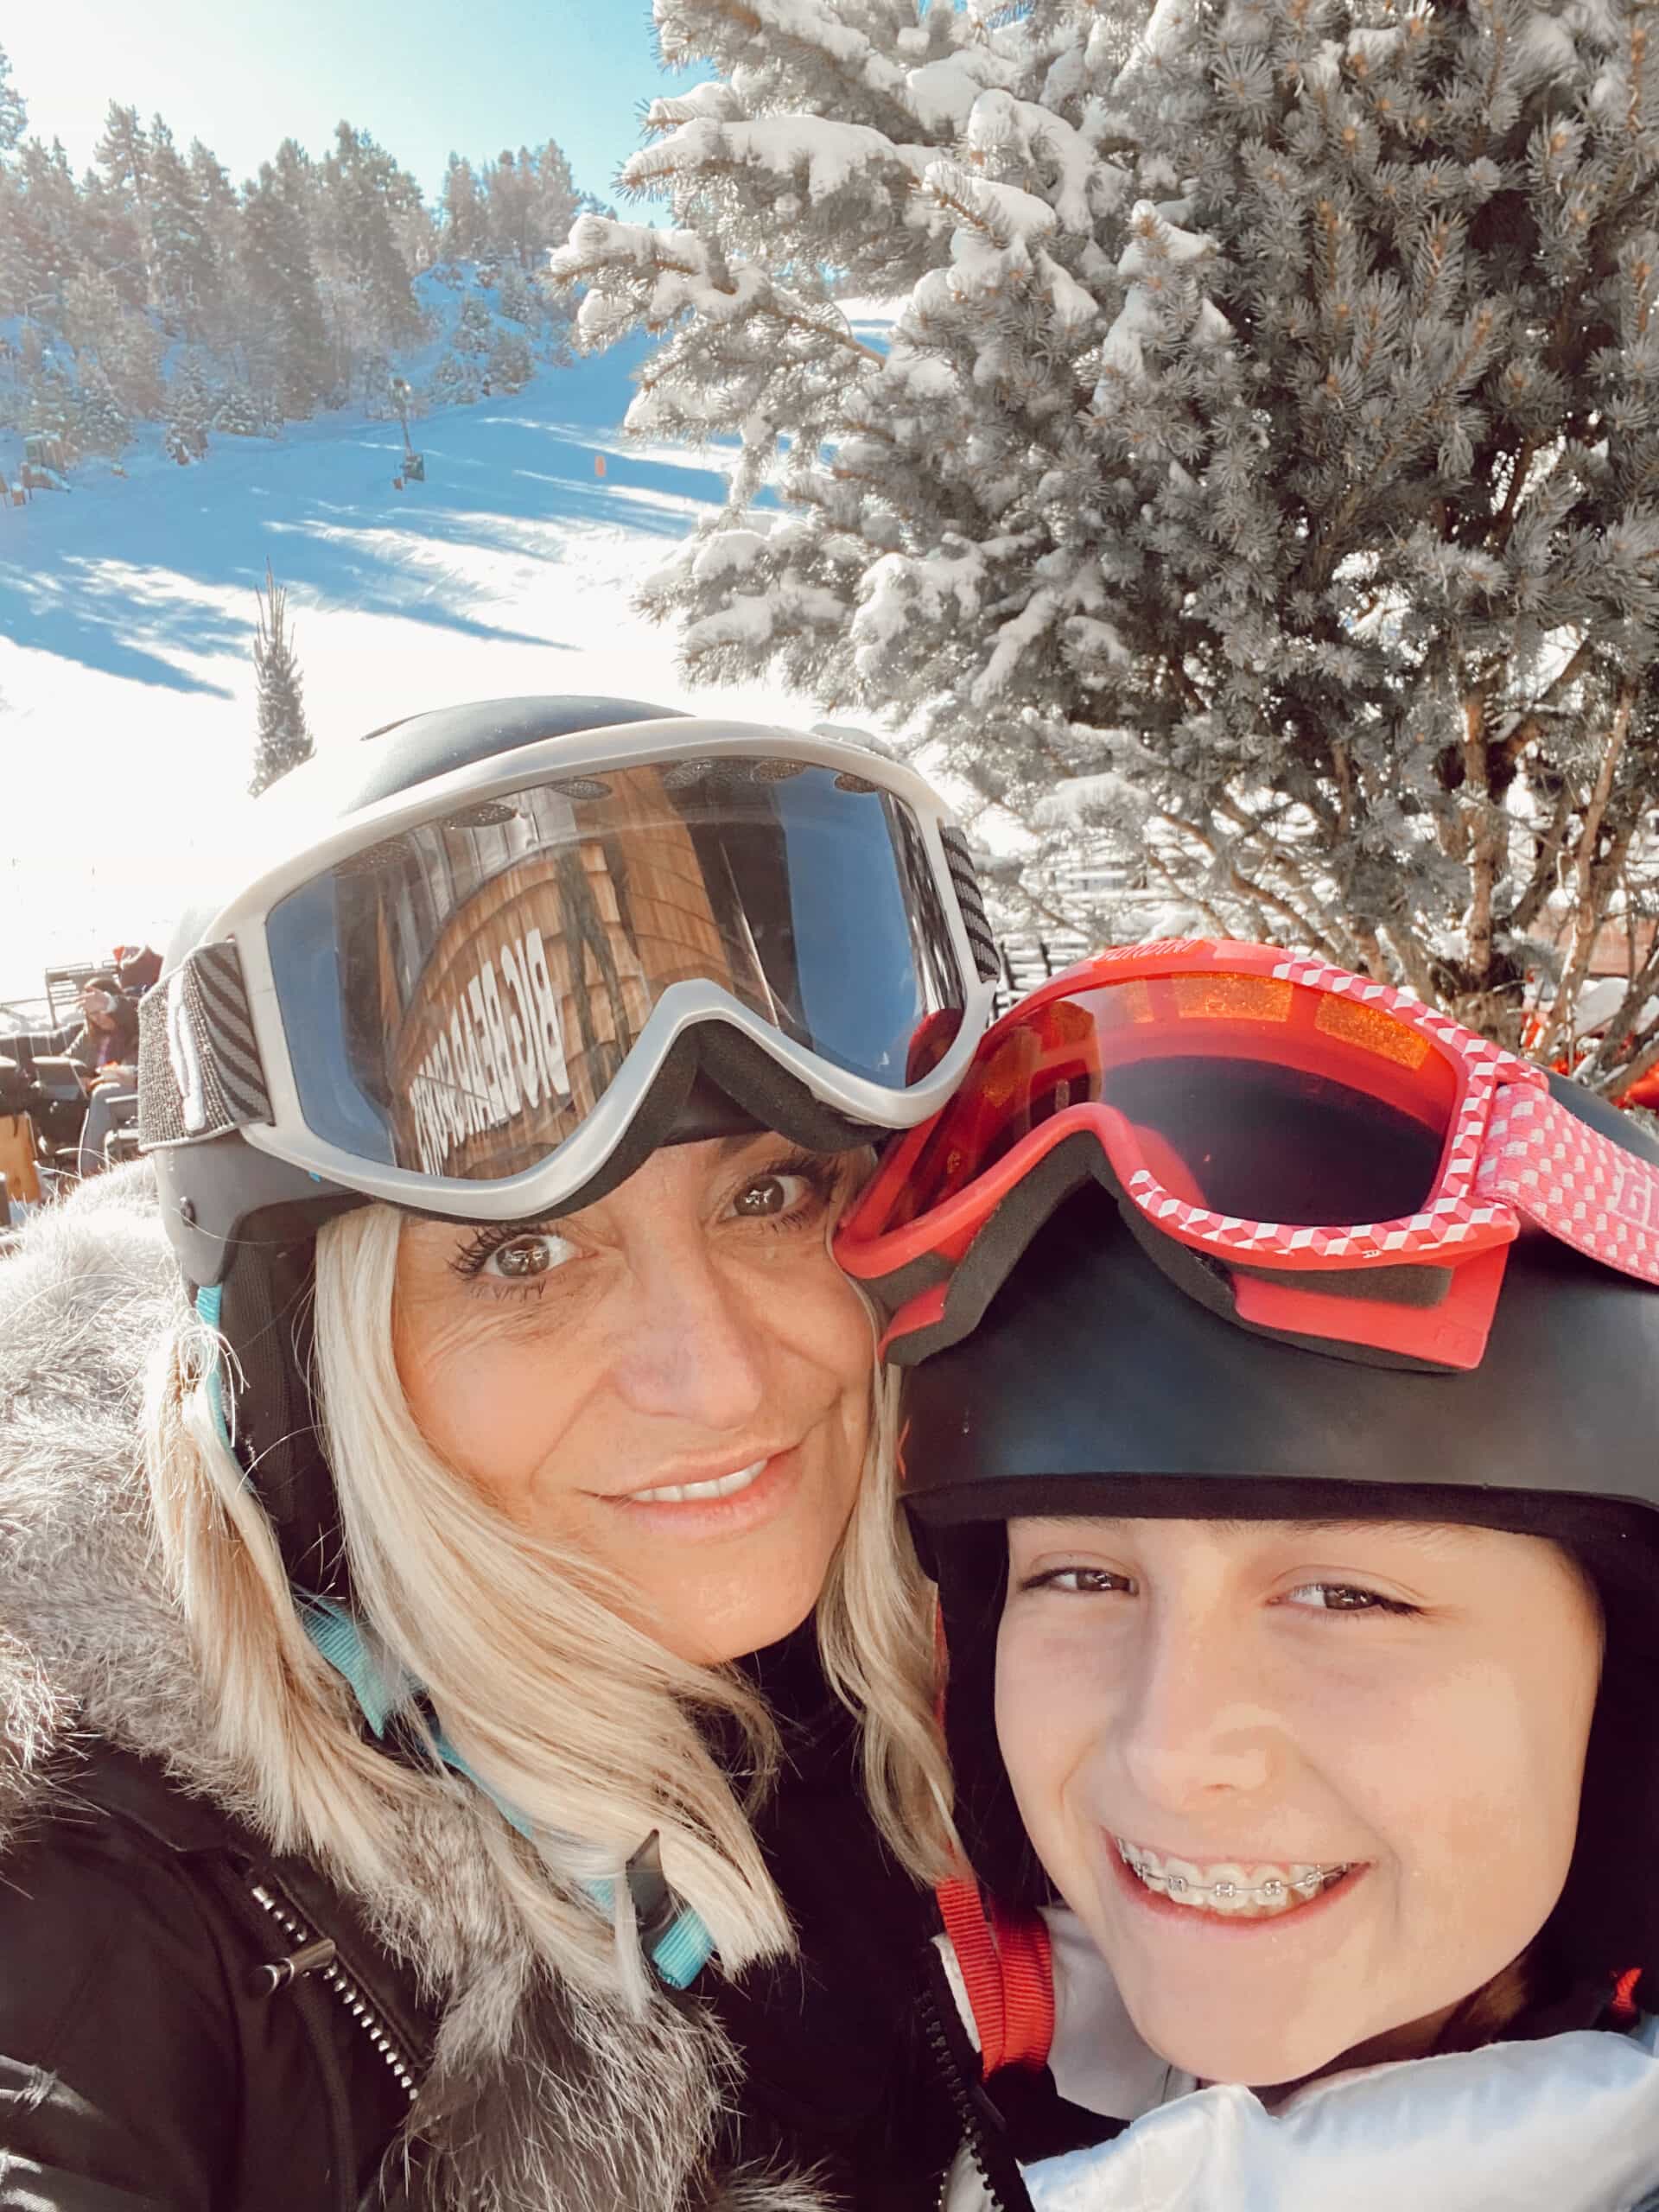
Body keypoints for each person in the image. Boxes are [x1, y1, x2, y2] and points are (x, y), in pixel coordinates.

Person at [0, 696, 1001, 2212]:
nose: (715, 1376)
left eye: (770, 1195)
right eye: (522, 1257)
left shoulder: (1006, 1670)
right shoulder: (102, 1908)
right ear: (308, 1370)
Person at [836, 939, 1659, 2211]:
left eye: (1348, 1598)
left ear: (1624, 1712)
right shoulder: (827, 2078)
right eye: (1081, 1580)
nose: (1174, 1753)